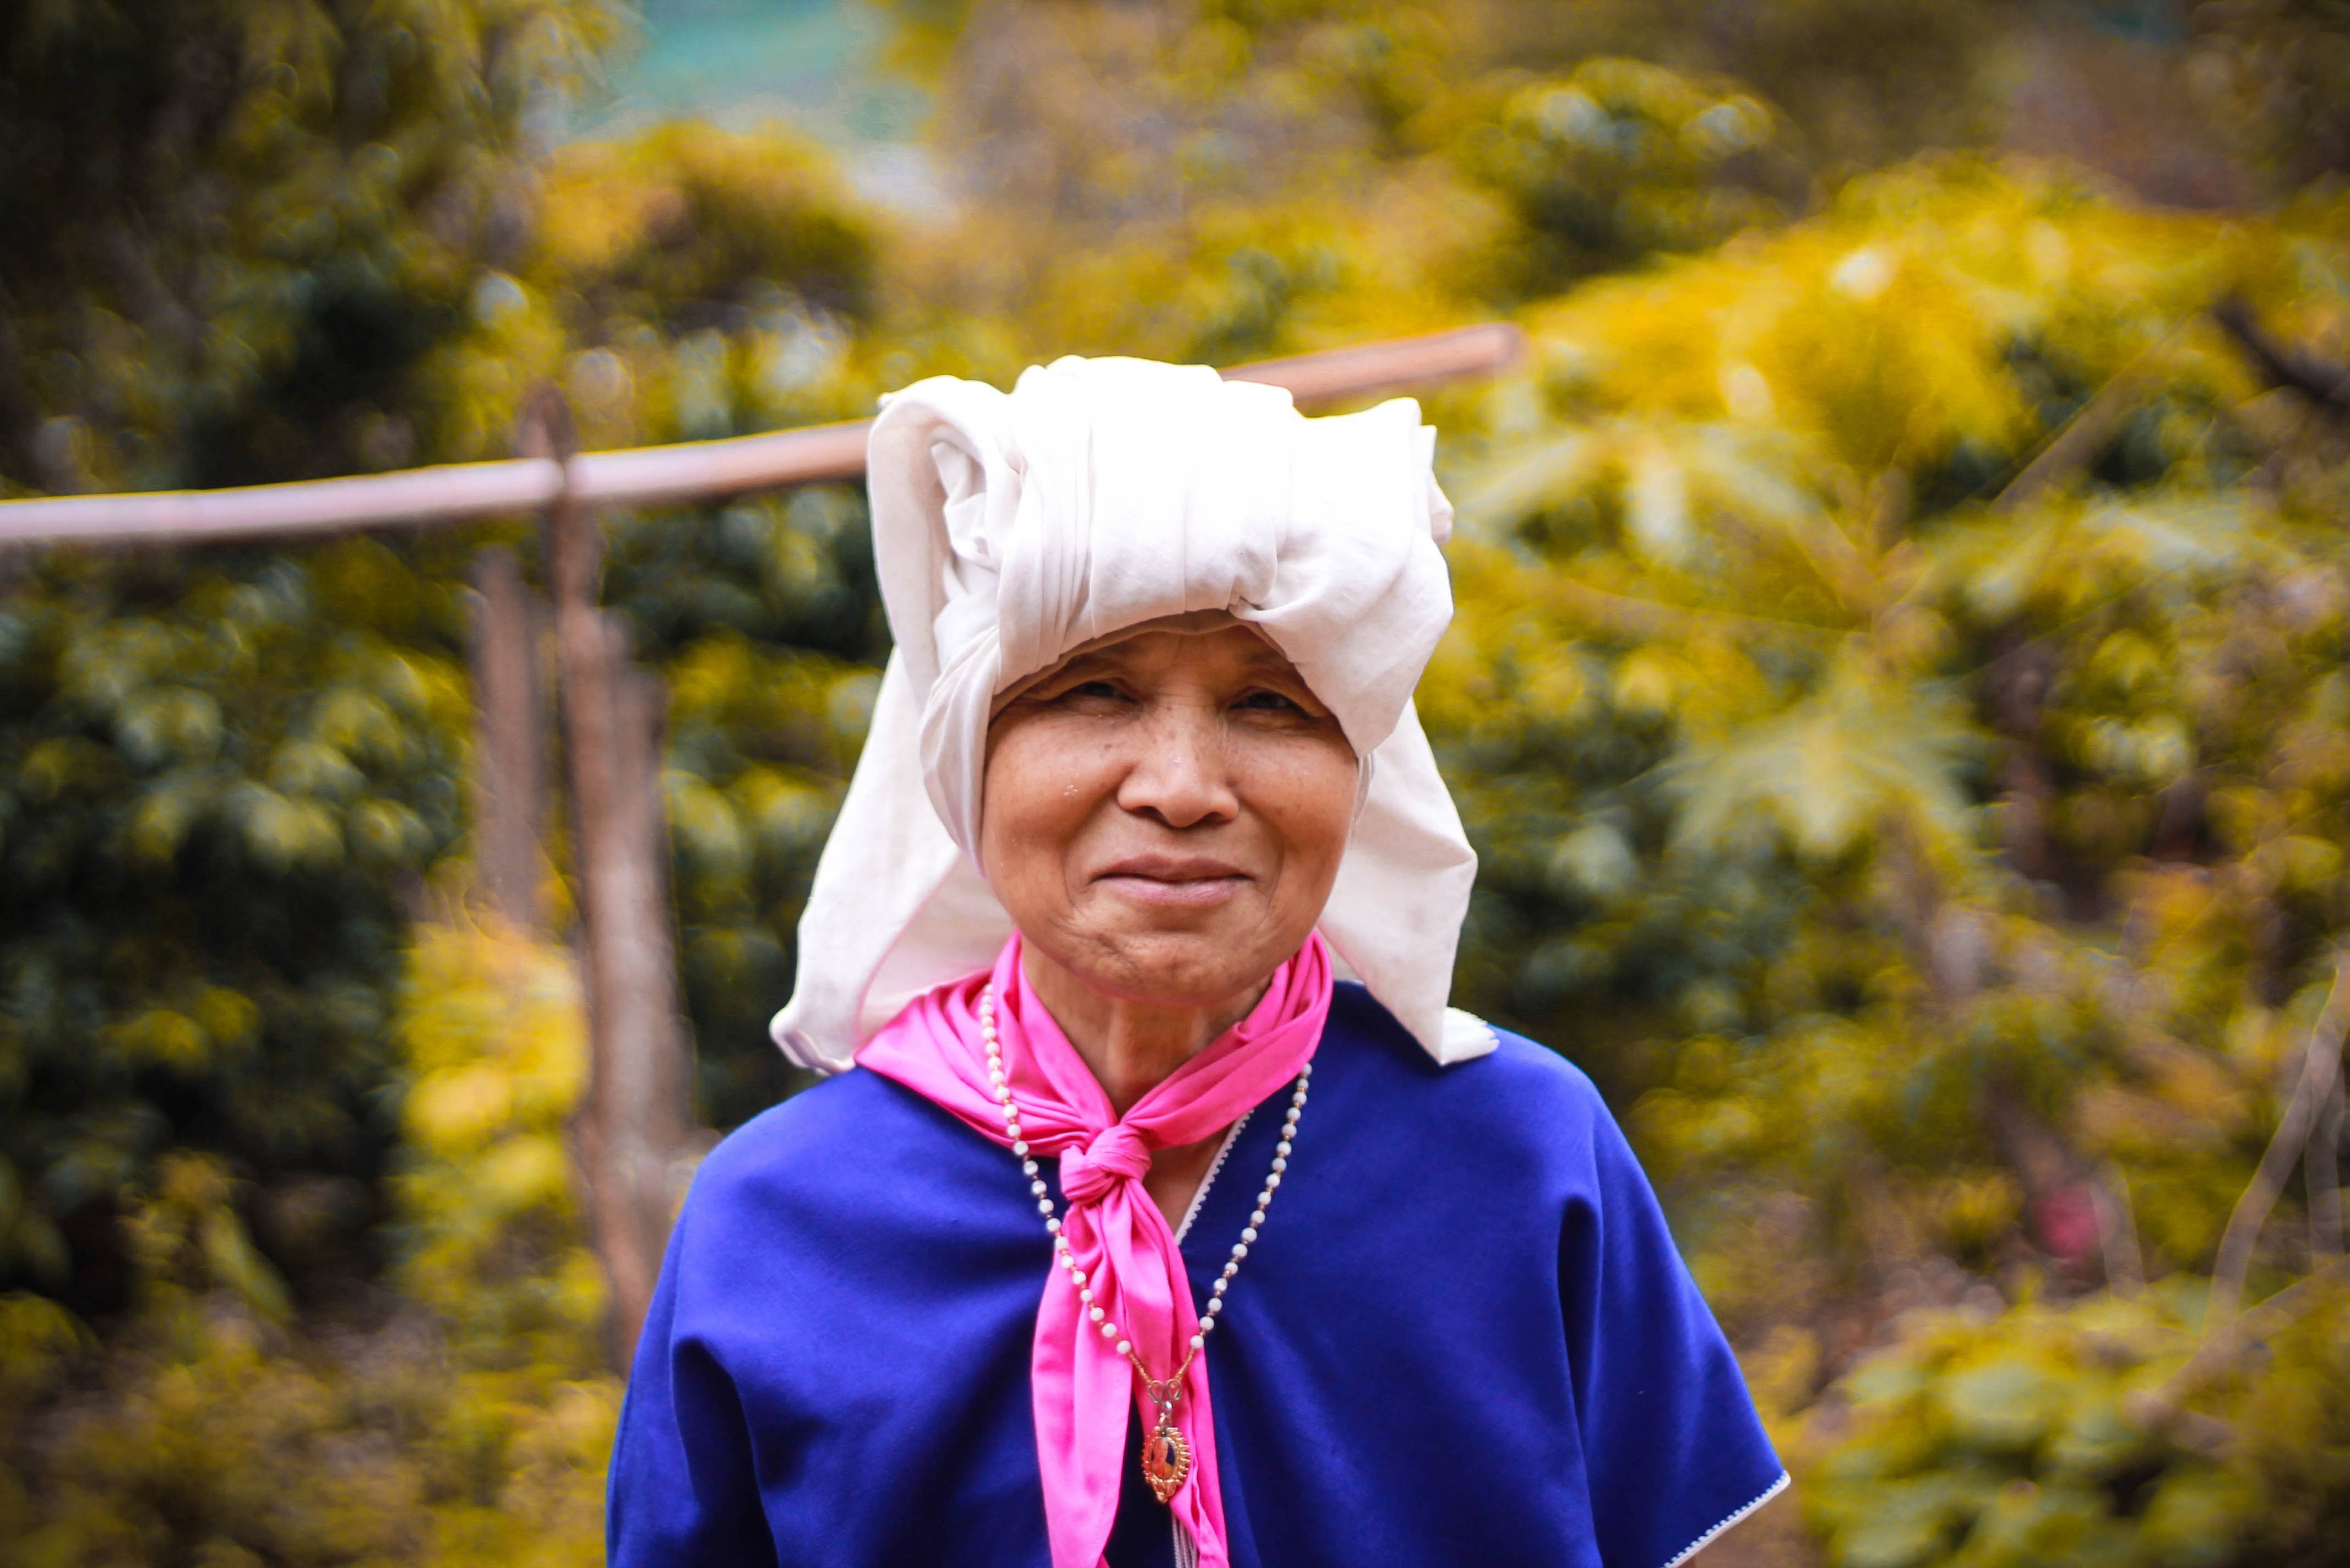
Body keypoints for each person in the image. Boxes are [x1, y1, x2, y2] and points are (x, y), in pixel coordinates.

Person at [605, 357, 1786, 1568]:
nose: (1179, 788)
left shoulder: (1525, 1157)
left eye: (1272, 705)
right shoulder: (780, 1221)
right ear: (967, 759)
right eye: (1094, 690)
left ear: (1358, 766)